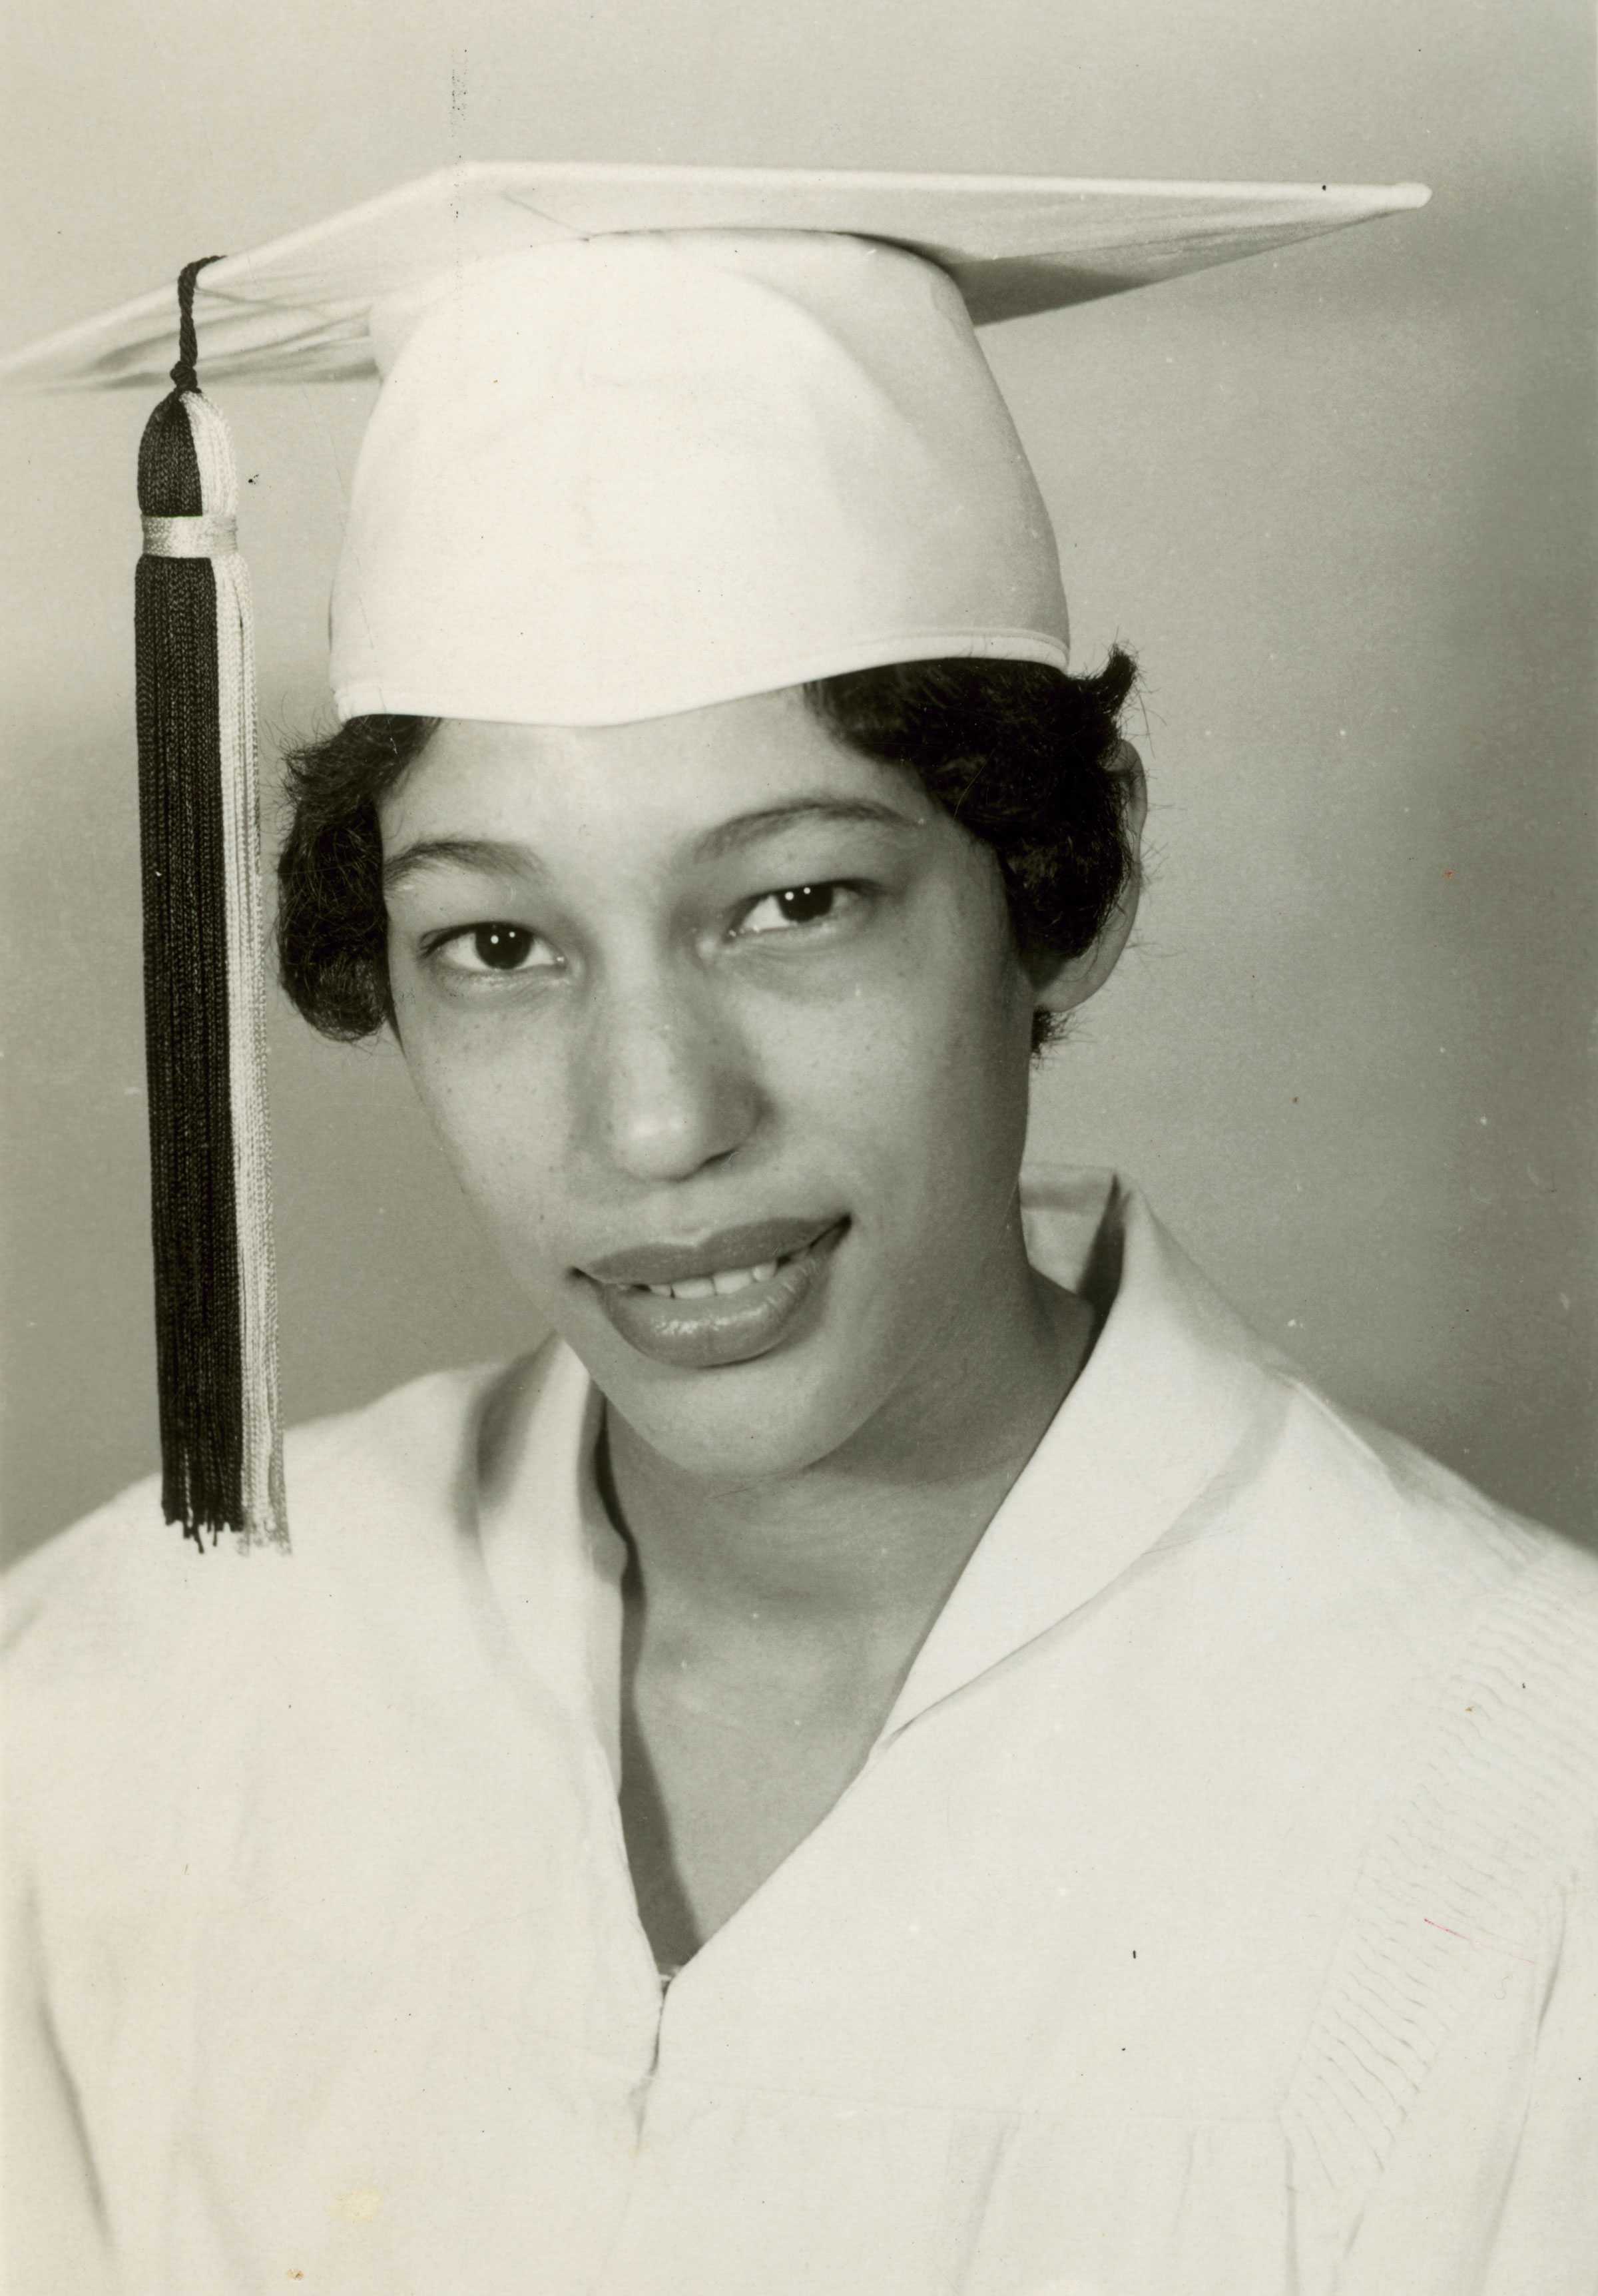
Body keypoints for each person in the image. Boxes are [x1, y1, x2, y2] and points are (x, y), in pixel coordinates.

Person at [4, 165, 1594, 2296]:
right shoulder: (130, 1693)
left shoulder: (1520, 1806)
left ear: (1060, 901)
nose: (655, 1121)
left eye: (794, 903)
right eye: (494, 942)